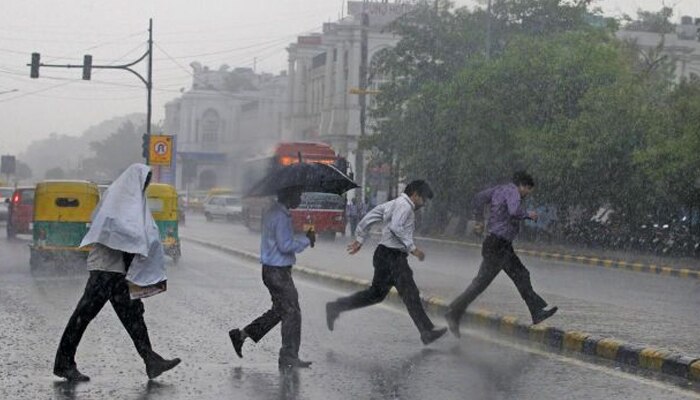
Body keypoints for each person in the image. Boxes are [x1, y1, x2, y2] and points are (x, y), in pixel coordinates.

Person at [53, 163, 181, 382]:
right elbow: (116, 231)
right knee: (82, 317)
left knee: (134, 317)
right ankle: (64, 364)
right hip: (105, 270)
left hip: (119, 271)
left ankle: (151, 360)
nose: (147, 185)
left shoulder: (132, 203)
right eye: (145, 181)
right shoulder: (116, 202)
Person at [325, 180, 447, 345]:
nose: (423, 203)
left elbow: (371, 215)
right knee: (410, 293)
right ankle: (426, 331)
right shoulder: (406, 207)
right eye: (423, 199)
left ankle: (336, 307)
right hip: (393, 257)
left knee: (375, 294)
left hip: (383, 255)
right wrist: (413, 249)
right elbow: (396, 228)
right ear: (415, 194)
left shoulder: (394, 203)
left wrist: (360, 237)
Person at [444, 171, 558, 338]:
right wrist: (528, 214)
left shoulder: (499, 190)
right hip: (499, 245)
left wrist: (479, 220)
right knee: (517, 275)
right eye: (527, 191)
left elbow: (478, 199)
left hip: (495, 244)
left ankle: (454, 312)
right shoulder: (513, 192)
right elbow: (514, 211)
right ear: (523, 186)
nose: (526, 194)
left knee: (486, 282)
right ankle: (536, 311)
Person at [228, 186, 316, 369]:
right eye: (297, 194)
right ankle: (288, 356)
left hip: (271, 270)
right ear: (289, 195)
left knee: (279, 311)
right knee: (292, 313)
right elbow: (285, 245)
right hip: (278, 272)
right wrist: (307, 240)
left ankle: (241, 335)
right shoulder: (281, 216)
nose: (299, 198)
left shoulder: (273, 212)